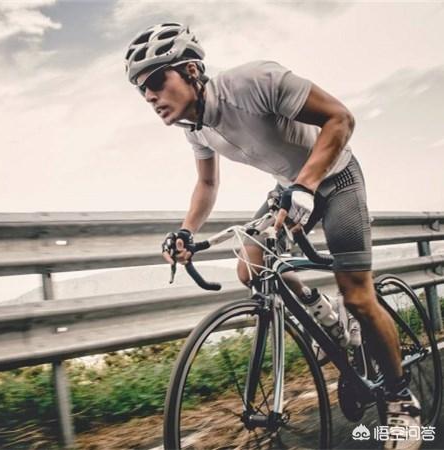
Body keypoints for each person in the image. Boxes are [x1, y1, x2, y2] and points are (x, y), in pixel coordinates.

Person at [125, 23, 421, 449]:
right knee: (251, 269)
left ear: (191, 70)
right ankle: (330, 321)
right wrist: (187, 231)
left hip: (337, 179)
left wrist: (306, 185)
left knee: (358, 295)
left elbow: (340, 118)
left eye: (155, 81)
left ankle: (400, 399)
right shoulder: (195, 127)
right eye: (141, 89)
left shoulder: (254, 82)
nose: (149, 96)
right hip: (288, 189)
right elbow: (207, 184)